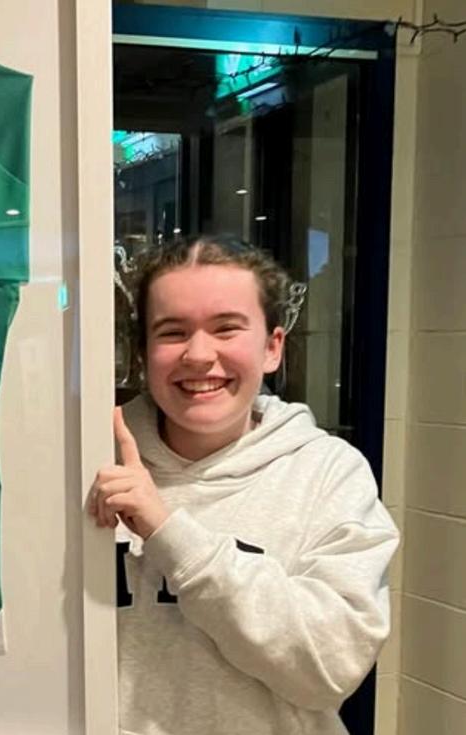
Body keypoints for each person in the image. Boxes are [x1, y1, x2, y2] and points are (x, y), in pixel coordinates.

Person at [88, 234, 399, 735]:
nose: (198, 354)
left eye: (226, 328)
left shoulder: (328, 473)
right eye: (172, 332)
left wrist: (168, 532)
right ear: (143, 352)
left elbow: (328, 669)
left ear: (272, 347)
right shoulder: (90, 464)